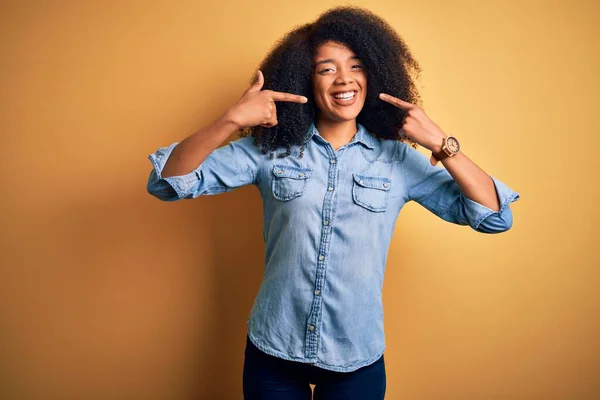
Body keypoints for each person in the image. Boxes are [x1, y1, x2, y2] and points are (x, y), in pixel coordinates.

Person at [146, 5, 520, 400]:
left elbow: (495, 217)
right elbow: (166, 183)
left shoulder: (396, 160)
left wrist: (442, 145)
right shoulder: (270, 151)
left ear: (374, 73)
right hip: (274, 350)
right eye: (327, 68)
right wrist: (231, 122)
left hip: (355, 360)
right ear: (306, 80)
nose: (344, 79)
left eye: (356, 66)